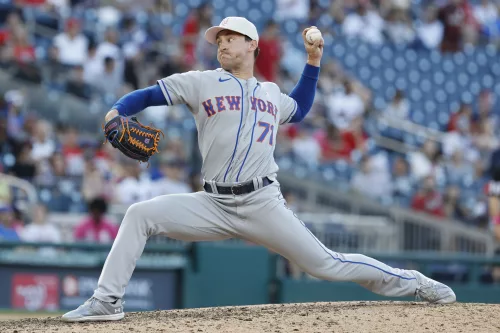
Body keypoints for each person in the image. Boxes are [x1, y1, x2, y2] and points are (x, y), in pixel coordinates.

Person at [62, 17, 456, 322]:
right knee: (139, 215)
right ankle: (106, 301)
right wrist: (117, 111)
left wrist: (313, 62)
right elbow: (148, 94)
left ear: (252, 45)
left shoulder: (270, 93)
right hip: (212, 203)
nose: (222, 44)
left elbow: (299, 108)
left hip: (262, 201)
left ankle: (414, 283)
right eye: (218, 40)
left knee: (325, 264)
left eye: (230, 38)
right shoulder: (201, 82)